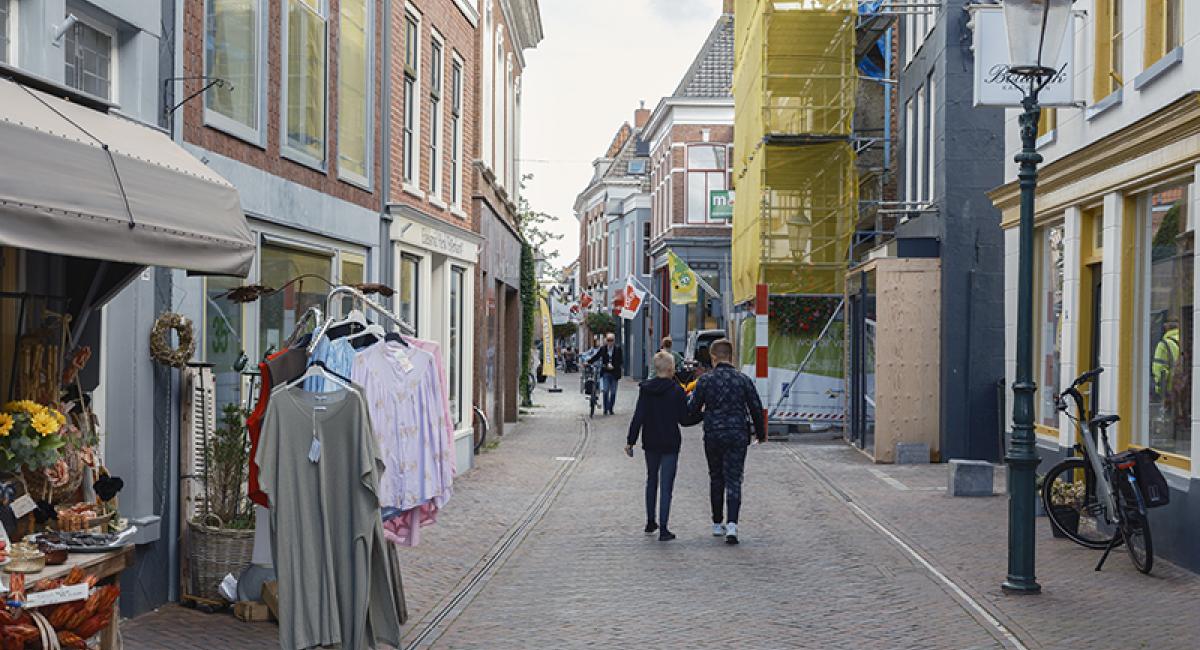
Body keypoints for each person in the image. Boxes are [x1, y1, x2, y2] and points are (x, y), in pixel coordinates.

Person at [686, 338, 765, 545]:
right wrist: (761, 433)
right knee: (734, 478)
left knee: (716, 476)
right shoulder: (743, 380)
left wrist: (699, 416)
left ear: (713, 357)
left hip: (713, 433)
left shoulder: (705, 381)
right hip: (738, 433)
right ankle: (732, 525)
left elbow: (693, 410)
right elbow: (756, 407)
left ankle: (716, 523)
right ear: (731, 356)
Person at [626, 351, 689, 541]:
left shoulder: (645, 390)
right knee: (667, 486)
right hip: (670, 442)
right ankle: (664, 528)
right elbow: (684, 419)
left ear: (655, 368)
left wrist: (631, 441)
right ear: (671, 369)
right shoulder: (677, 390)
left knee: (651, 479)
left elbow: (639, 416)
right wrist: (703, 414)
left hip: (650, 441)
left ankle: (650, 521)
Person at [589, 332, 623, 415]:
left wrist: (614, 366)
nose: (610, 342)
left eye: (611, 340)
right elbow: (596, 356)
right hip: (606, 372)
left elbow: (621, 361)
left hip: (615, 373)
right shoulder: (603, 349)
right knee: (605, 390)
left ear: (614, 341)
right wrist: (588, 362)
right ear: (606, 341)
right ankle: (605, 409)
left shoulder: (618, 349)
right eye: (608, 340)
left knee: (613, 392)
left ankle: (611, 408)